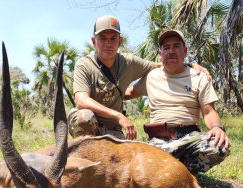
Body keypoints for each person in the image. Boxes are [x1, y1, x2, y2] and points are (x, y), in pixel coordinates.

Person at [68, 15, 209, 140]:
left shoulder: (129, 62)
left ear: (120, 41)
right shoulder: (84, 64)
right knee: (84, 117)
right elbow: (81, 100)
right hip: (90, 124)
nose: (108, 43)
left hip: (113, 129)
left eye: (113, 38)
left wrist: (189, 65)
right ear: (94, 41)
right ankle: (83, 157)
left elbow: (162, 65)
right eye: (102, 38)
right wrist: (119, 116)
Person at [127, 29, 231, 174]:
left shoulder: (199, 77)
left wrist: (217, 127)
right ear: (160, 54)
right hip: (159, 138)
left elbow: (209, 111)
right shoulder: (151, 76)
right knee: (139, 165)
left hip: (190, 137)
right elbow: (127, 93)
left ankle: (179, 173)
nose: (171, 51)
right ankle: (175, 172)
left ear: (185, 51)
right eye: (166, 47)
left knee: (219, 147)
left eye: (176, 46)